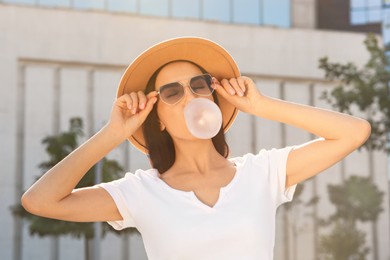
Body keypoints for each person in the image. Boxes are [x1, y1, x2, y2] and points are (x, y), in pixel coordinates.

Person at [21, 37, 371, 259]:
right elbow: (39, 201)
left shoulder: (262, 173)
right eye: (173, 92)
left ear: (213, 95)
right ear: (155, 116)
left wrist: (261, 105)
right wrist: (113, 133)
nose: (190, 97)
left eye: (199, 85)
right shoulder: (140, 191)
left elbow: (354, 131)